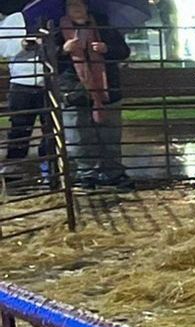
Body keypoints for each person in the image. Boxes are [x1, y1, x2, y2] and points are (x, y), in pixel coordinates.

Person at [54, 0, 133, 190]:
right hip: (74, 90)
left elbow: (123, 51)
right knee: (79, 136)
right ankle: (85, 174)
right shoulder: (57, 32)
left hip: (106, 90)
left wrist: (106, 49)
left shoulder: (104, 27)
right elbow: (47, 57)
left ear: (86, 7)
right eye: (72, 6)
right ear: (66, 10)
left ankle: (112, 172)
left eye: (79, 5)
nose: (76, 9)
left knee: (110, 135)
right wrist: (63, 50)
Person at [3, 36, 52, 180]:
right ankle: (14, 169)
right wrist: (21, 43)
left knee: (50, 128)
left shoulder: (54, 19)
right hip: (21, 82)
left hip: (49, 82)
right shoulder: (13, 21)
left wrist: (45, 43)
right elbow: (2, 48)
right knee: (19, 128)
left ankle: (49, 167)